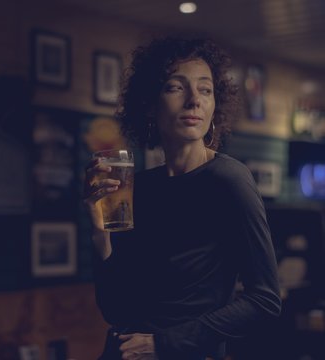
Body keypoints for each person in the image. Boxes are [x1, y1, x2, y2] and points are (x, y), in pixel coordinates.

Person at [83, 37, 281, 360]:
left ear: (216, 104)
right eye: (176, 87)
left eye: (205, 90)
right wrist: (98, 229)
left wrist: (162, 344)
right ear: (149, 103)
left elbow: (265, 299)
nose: (194, 101)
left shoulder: (230, 179)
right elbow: (116, 308)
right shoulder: (140, 187)